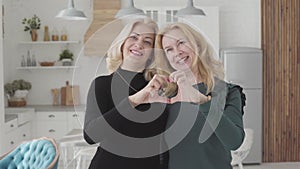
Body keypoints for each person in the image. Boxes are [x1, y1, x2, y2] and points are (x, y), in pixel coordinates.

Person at [152, 22, 246, 169]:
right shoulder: (164, 96)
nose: (177, 52)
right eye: (169, 49)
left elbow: (234, 142)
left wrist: (203, 102)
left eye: (181, 43)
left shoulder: (227, 91)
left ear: (198, 45)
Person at [83, 18, 169, 169]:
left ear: (152, 54)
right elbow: (91, 136)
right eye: (134, 37)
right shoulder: (102, 84)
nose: (139, 44)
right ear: (122, 43)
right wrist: (133, 102)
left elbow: (164, 142)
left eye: (147, 41)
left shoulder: (159, 86)